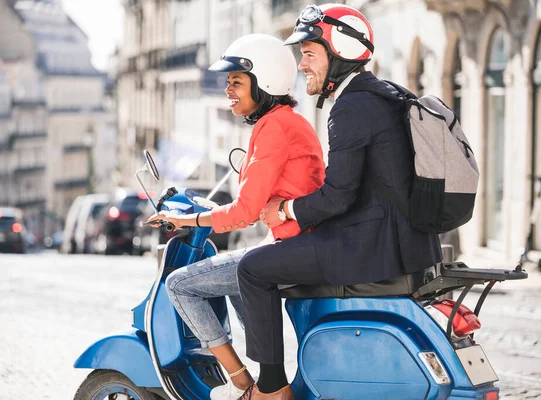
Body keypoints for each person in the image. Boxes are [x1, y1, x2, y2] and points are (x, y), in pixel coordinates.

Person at [236, 4, 443, 399]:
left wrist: (283, 210)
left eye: (310, 54)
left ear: (340, 53)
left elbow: (337, 196)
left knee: (253, 268)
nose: (301, 65)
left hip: (370, 249)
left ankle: (271, 388)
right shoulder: (386, 95)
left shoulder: (350, 108)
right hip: (407, 245)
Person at [147, 33, 325, 400]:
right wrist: (213, 212)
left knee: (180, 285)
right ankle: (267, 376)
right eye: (228, 82)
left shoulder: (274, 128)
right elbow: (257, 203)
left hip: (293, 247)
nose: (228, 89)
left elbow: (244, 212)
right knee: (231, 272)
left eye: (237, 82)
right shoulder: (286, 121)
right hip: (298, 241)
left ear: (265, 82)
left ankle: (244, 382)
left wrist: (187, 222)